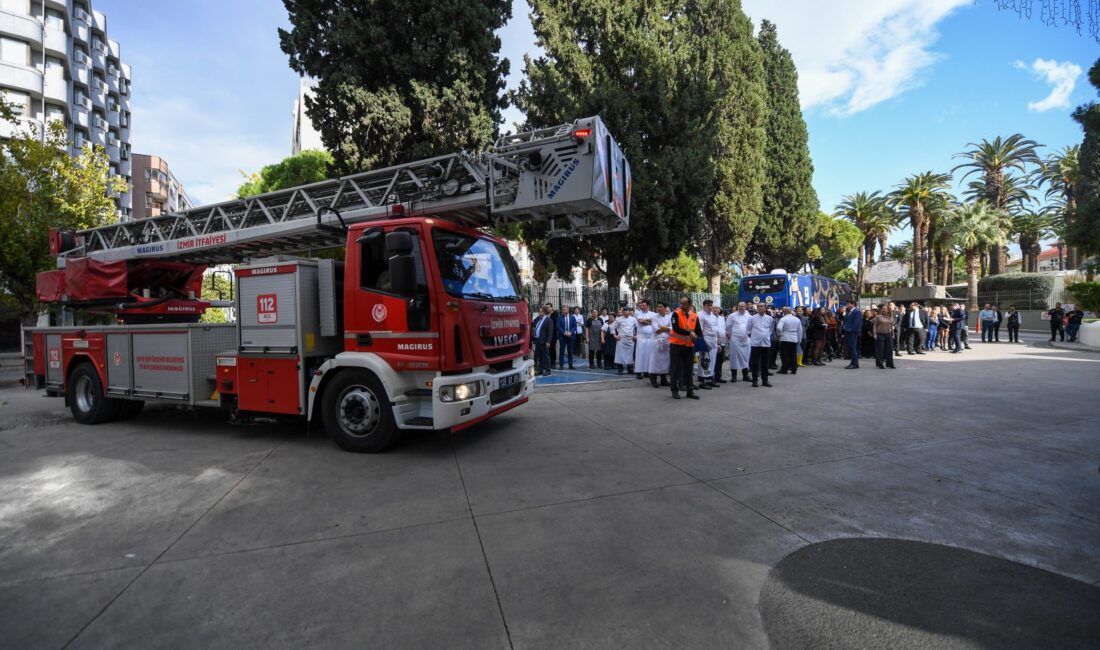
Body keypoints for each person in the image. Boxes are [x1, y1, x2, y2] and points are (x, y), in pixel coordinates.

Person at [669, 296, 703, 399]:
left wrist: (697, 336)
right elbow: (676, 328)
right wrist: (689, 333)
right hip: (676, 345)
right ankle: (674, 390)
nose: (681, 305)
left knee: (689, 369)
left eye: (684, 304)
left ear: (689, 305)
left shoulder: (694, 316)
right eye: (680, 303)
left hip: (689, 346)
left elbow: (698, 330)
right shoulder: (675, 314)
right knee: (675, 368)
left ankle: (690, 391)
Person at [747, 303, 775, 387]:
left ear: (765, 308)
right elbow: (748, 330)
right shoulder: (752, 318)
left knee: (765, 363)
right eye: (758, 306)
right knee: (755, 363)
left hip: (766, 343)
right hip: (755, 343)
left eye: (762, 306)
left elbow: (770, 329)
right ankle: (754, 380)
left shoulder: (769, 318)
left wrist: (765, 336)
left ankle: (765, 380)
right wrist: (754, 337)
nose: (760, 308)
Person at [725, 302, 752, 382]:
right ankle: (734, 376)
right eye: (739, 306)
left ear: (745, 307)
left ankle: (745, 375)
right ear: (737, 307)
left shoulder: (749, 316)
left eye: (742, 306)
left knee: (746, 357)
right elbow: (728, 326)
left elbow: (751, 327)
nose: (741, 307)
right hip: (735, 339)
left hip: (746, 340)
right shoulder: (732, 316)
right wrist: (730, 334)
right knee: (734, 358)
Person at [696, 299, 720, 388]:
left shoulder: (713, 316)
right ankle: (702, 381)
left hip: (713, 340)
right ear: (704, 306)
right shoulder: (700, 315)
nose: (710, 307)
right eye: (708, 305)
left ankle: (710, 378)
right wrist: (702, 342)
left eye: (711, 305)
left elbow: (716, 330)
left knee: (712, 360)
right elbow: (700, 330)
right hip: (706, 340)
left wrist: (718, 343)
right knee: (704, 361)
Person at [648, 302, 672, 387]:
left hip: (666, 341)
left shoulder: (669, 317)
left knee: (665, 361)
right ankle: (653, 379)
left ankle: (663, 379)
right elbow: (656, 330)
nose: (658, 308)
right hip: (657, 341)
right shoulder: (654, 317)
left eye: (660, 307)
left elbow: (672, 329)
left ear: (665, 308)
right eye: (658, 306)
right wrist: (666, 328)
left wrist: (662, 327)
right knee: (655, 361)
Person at [776, 307, 802, 375]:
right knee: (793, 354)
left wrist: (780, 334)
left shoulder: (783, 319)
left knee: (785, 354)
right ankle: (794, 369)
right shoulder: (797, 319)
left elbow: (779, 328)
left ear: (784, 312)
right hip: (794, 338)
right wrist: (799, 339)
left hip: (785, 338)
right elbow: (800, 331)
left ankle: (784, 369)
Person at [634, 300, 656, 380]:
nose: (642, 307)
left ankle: (647, 371)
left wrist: (647, 321)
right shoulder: (638, 313)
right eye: (641, 305)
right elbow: (641, 321)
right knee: (640, 354)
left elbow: (654, 321)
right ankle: (638, 372)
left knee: (648, 355)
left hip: (650, 338)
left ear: (648, 306)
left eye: (644, 305)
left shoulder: (653, 314)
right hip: (641, 337)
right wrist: (650, 321)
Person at [613, 306, 638, 375]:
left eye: (627, 311)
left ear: (629, 312)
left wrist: (636, 335)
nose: (625, 312)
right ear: (623, 312)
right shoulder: (618, 319)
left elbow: (638, 328)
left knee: (630, 355)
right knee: (620, 355)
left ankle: (630, 369)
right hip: (621, 339)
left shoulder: (633, 319)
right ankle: (620, 369)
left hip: (630, 339)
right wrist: (615, 335)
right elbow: (612, 327)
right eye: (624, 311)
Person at [532, 306, 554, 375]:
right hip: (538, 340)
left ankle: (547, 370)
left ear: (544, 312)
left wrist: (548, 341)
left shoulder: (548, 320)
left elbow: (550, 331)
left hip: (544, 341)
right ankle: (540, 369)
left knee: (546, 356)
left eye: (541, 311)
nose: (540, 313)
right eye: (539, 312)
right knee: (539, 356)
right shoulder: (538, 320)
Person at [842, 300, 863, 369]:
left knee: (853, 348)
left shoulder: (857, 312)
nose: (847, 305)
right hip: (848, 332)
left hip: (852, 332)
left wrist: (851, 330)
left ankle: (854, 364)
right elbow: (845, 321)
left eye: (848, 304)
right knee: (851, 348)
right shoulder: (849, 312)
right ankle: (854, 363)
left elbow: (857, 322)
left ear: (853, 304)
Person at [713, 305, 728, 382]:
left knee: (720, 360)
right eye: (714, 308)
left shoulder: (722, 319)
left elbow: (724, 329)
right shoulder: (711, 318)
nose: (715, 309)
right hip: (713, 342)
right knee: (713, 360)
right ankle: (712, 377)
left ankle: (718, 376)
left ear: (720, 310)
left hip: (722, 342)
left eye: (717, 308)